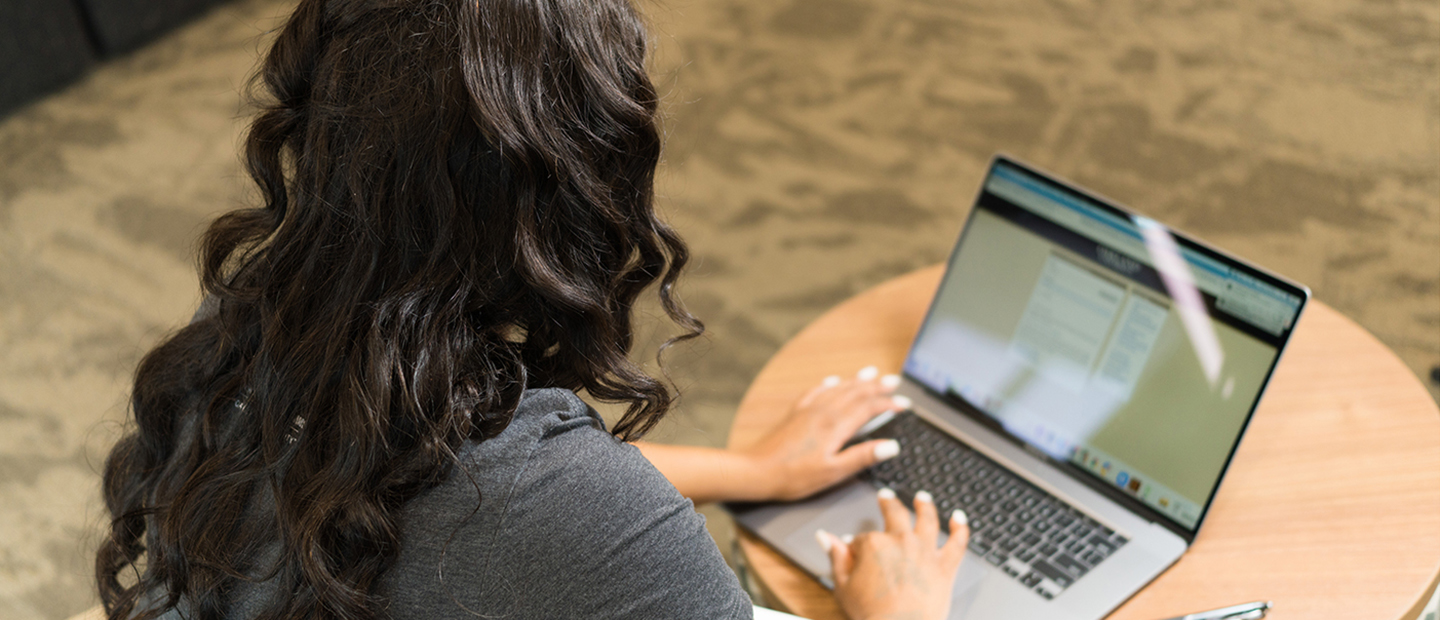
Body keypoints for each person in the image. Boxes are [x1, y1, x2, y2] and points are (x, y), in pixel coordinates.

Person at [94, 1, 970, 619]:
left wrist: (750, 471)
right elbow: (548, 514)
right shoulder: (589, 516)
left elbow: (484, 500)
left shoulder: (241, 333)